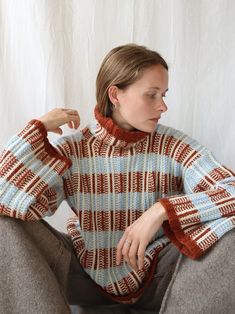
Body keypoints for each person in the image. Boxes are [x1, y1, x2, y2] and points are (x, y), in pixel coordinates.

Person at [0, 43, 234, 314]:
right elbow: (5, 199)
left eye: (164, 95)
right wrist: (36, 131)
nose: (163, 106)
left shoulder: (174, 146)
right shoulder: (74, 150)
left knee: (231, 233)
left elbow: (230, 190)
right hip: (85, 276)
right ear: (115, 95)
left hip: (159, 277)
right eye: (152, 95)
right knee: (3, 222)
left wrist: (161, 211)